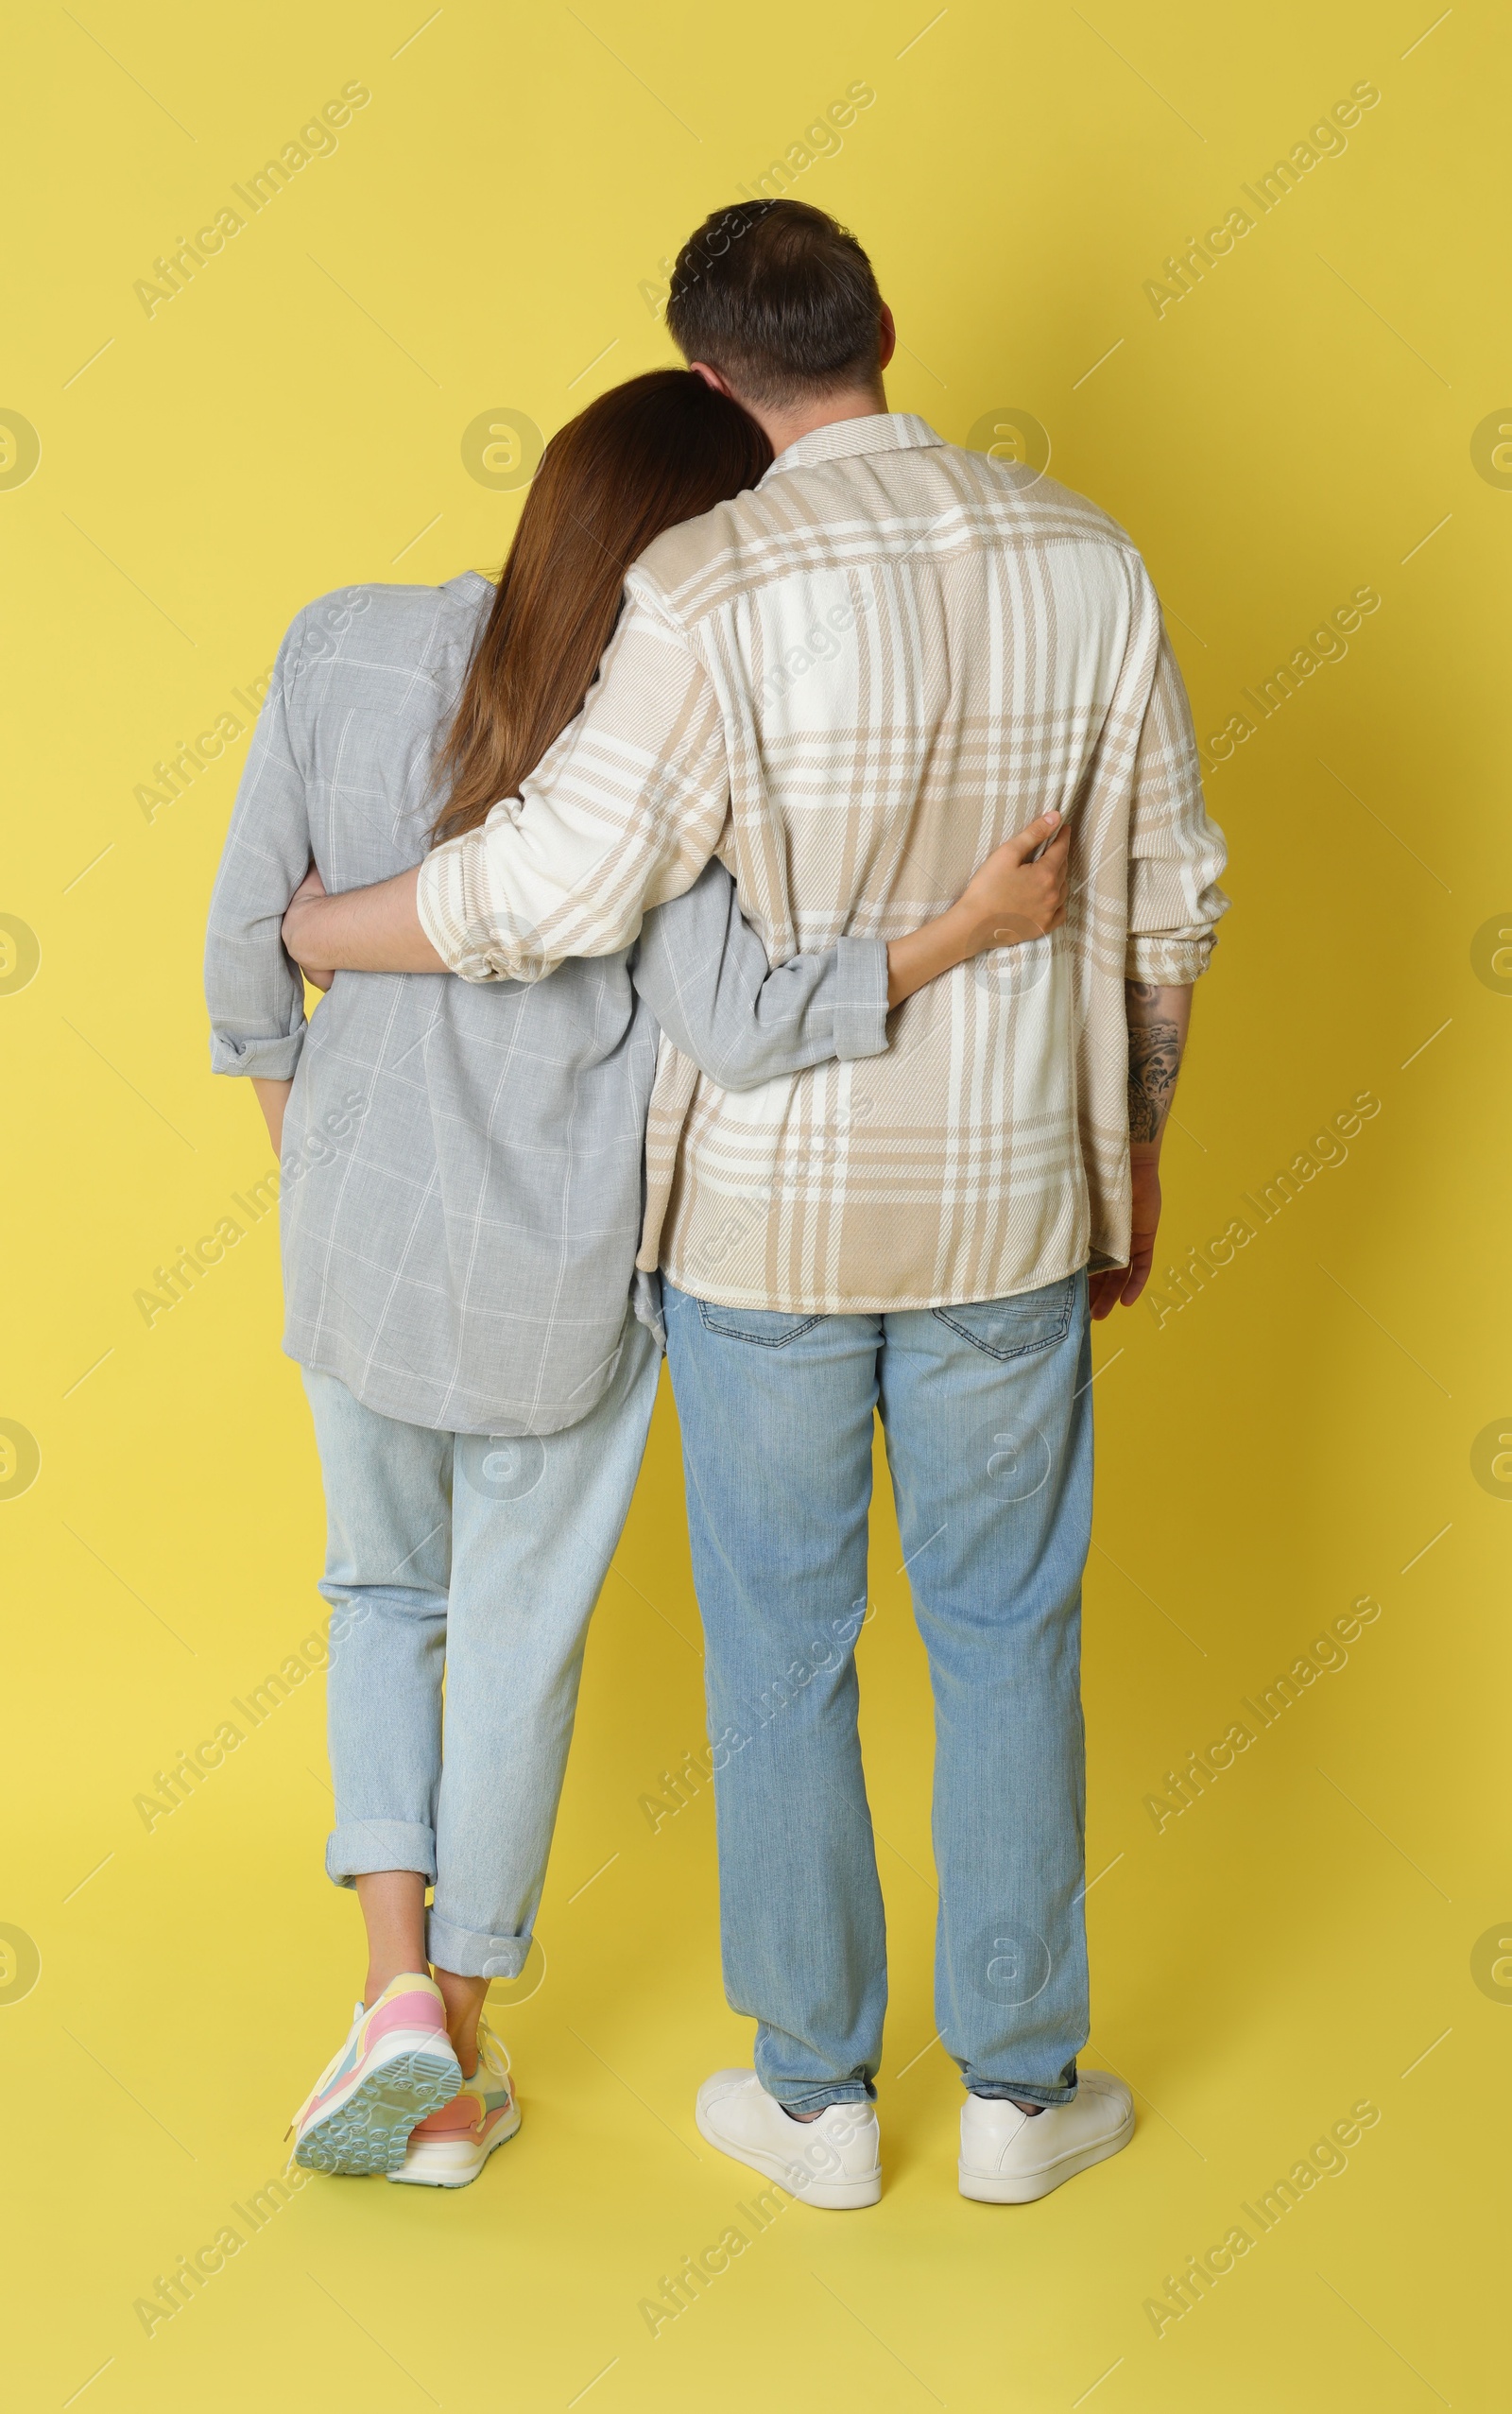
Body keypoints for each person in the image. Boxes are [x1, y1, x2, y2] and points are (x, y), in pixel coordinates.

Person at [281, 199, 1229, 2212]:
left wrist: (331, 926)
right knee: (1004, 1638)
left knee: (779, 1651)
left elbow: (550, 890)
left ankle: (811, 2102)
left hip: (762, 1235)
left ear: (709, 380)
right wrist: (1128, 1148)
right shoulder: (1090, 560)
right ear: (886, 324)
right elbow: (1167, 900)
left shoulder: (700, 586)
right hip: (1007, 1212)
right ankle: (1014, 2094)